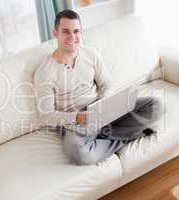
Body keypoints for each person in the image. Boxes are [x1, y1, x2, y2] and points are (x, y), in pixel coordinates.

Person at [34, 9, 164, 166]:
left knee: (156, 106)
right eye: (66, 32)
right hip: (74, 121)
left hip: (100, 109)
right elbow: (46, 115)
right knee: (78, 154)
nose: (72, 37)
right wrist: (77, 117)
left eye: (76, 31)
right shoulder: (45, 72)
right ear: (55, 33)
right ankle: (129, 136)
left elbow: (107, 83)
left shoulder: (90, 54)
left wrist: (104, 102)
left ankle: (100, 138)